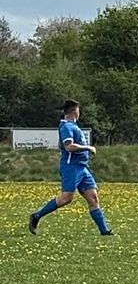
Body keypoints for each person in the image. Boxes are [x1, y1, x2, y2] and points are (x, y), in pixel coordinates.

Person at [29, 99, 112, 236]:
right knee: (66, 198)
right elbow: (69, 146)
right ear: (74, 111)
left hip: (82, 168)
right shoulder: (67, 127)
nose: (79, 113)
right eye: (78, 110)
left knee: (93, 198)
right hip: (71, 167)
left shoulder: (73, 126)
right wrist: (88, 147)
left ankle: (105, 231)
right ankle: (37, 215)